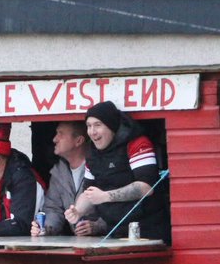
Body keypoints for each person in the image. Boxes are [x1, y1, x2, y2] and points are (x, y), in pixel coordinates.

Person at [66, 101, 167, 239]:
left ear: (111, 126)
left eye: (97, 125)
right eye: (89, 126)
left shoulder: (137, 144)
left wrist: (105, 196)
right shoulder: (92, 152)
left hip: (148, 228)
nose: (92, 132)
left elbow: (146, 187)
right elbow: (88, 192)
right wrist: (78, 211)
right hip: (114, 230)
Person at [32, 120, 94, 237]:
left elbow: (115, 208)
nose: (55, 139)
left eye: (60, 134)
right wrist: (44, 228)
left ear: (79, 141)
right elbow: (53, 209)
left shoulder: (99, 167)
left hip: (106, 242)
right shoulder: (58, 172)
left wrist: (97, 226)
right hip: (77, 243)